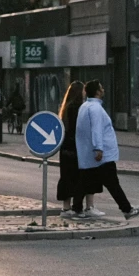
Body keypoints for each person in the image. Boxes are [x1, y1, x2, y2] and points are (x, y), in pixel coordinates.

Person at [76, 81, 139, 219]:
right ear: (97, 92)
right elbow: (96, 129)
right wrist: (98, 148)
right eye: (101, 88)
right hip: (102, 155)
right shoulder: (95, 109)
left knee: (85, 181)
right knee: (112, 183)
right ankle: (127, 209)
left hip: (88, 153)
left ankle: (77, 208)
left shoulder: (84, 106)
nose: (103, 89)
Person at [54, 82, 91, 214]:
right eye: (83, 91)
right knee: (78, 178)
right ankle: (77, 208)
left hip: (65, 148)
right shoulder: (78, 108)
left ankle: (66, 207)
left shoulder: (65, 108)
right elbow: (80, 129)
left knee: (66, 177)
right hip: (76, 147)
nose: (84, 94)